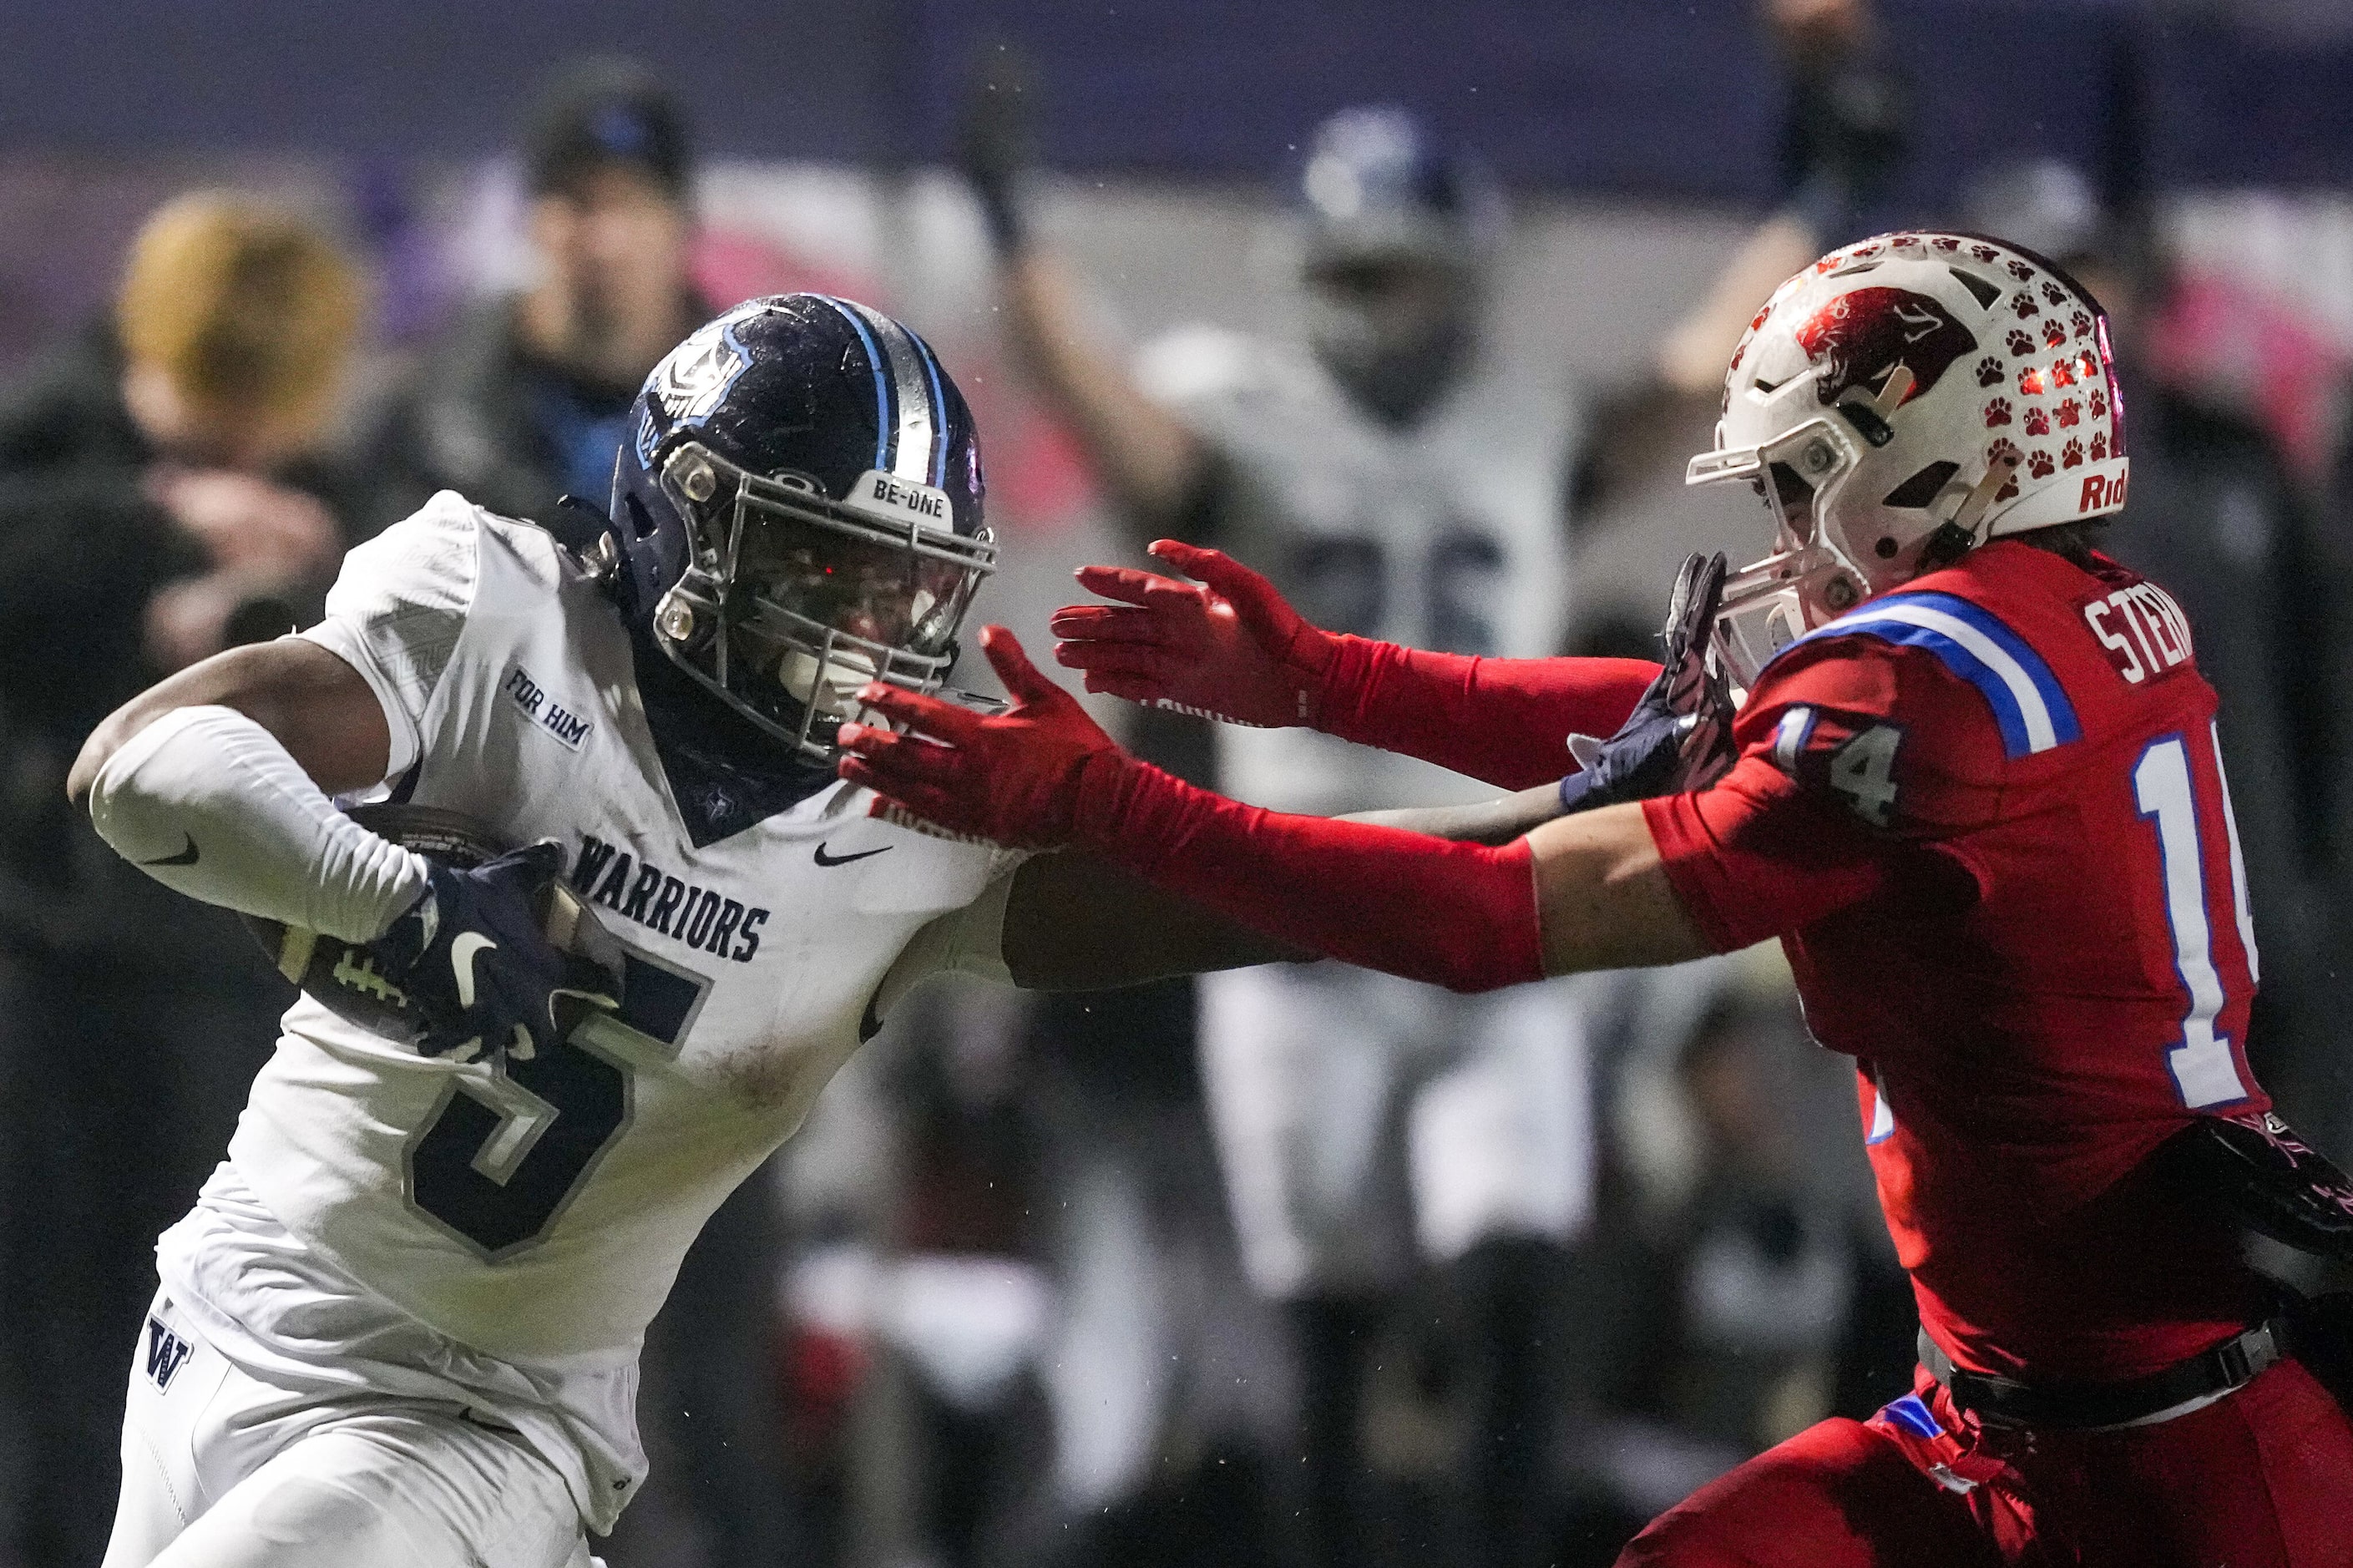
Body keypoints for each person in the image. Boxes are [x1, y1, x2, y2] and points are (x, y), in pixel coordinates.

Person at [837, 232, 2353, 1565]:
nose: (1782, 536)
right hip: (1997, 1420)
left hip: (2171, 1472)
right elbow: (1673, 715)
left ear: (1930, 468)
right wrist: (1318, 677)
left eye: (1799, 483)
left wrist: (1114, 805)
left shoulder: (1911, 696)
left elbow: (1492, 913)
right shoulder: (2069, 613)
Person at [71, 292, 1542, 1568]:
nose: (862, 635)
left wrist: (1562, 808)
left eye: (905, 591)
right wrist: (395, 904)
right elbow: (141, 764)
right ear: (681, 511)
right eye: (824, 571)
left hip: (485, 1415)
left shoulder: (922, 815)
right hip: (225, 1308)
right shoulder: (502, 618)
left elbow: (1277, 883)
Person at [965, 98, 1595, 1568]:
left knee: (1515, 1279)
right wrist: (1011, 238)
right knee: (1320, 1326)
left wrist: (1820, 201)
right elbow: (1108, 403)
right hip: (1294, 916)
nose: (1374, 307)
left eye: (1401, 273)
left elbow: (1689, 377)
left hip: (1487, 890)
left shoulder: (1526, 418)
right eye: (1352, 272)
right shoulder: (1238, 406)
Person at [0, 192, 357, 1568]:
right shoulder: (51, 454)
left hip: (239, 991)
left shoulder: (346, 482)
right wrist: (147, 538)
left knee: (234, 1391)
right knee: (57, 1388)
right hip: (52, 975)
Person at [362, 58, 707, 541]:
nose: (606, 240)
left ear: (681, 221)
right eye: (579, 203)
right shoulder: (429, 414)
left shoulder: (746, 403)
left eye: (632, 202)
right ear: (531, 215)